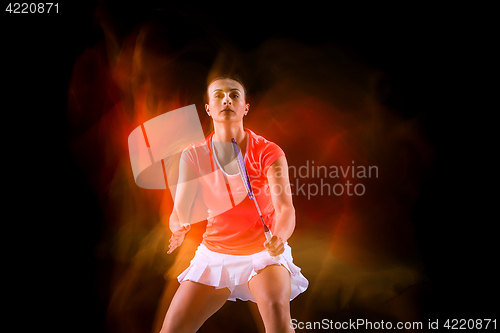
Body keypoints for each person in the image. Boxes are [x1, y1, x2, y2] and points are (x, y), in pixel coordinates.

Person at [159, 75, 308, 333]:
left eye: (234, 95)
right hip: (215, 253)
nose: (226, 99)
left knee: (278, 321)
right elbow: (178, 213)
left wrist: (279, 237)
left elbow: (285, 209)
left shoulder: (268, 152)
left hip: (264, 255)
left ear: (245, 107)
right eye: (218, 95)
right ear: (208, 108)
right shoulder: (193, 155)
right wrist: (179, 226)